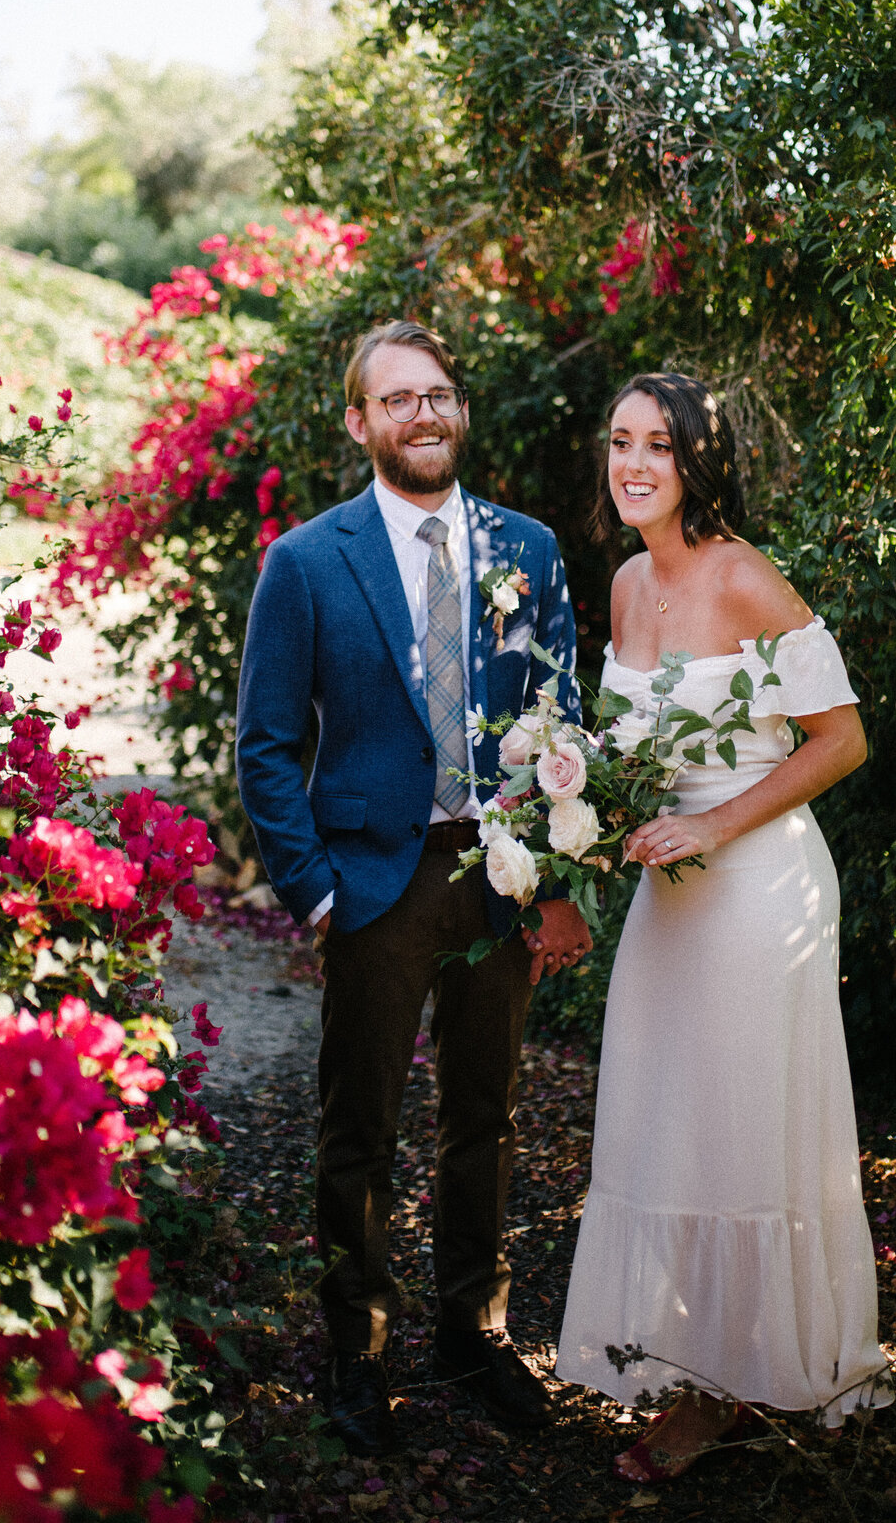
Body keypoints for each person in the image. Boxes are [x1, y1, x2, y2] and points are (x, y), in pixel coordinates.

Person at [235, 320, 589, 1456]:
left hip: (501, 876)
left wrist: (550, 876)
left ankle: (472, 1335)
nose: (425, 415)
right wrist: (317, 891)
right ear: (359, 422)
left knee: (487, 1118)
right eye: (399, 401)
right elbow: (265, 744)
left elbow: (560, 724)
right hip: (374, 882)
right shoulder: (307, 562)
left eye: (439, 395)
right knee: (361, 1128)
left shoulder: (526, 549)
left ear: (461, 409)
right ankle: (360, 1354)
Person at [554, 371, 892, 1483]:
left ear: (700, 461)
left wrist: (715, 826)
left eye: (660, 443)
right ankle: (695, 1354)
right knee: (668, 1122)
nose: (635, 462)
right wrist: (586, 821)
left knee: (746, 1127)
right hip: (673, 901)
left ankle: (736, 1386)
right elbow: (631, 755)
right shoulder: (622, 585)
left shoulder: (749, 579)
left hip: (761, 893)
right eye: (620, 442)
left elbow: (839, 739)